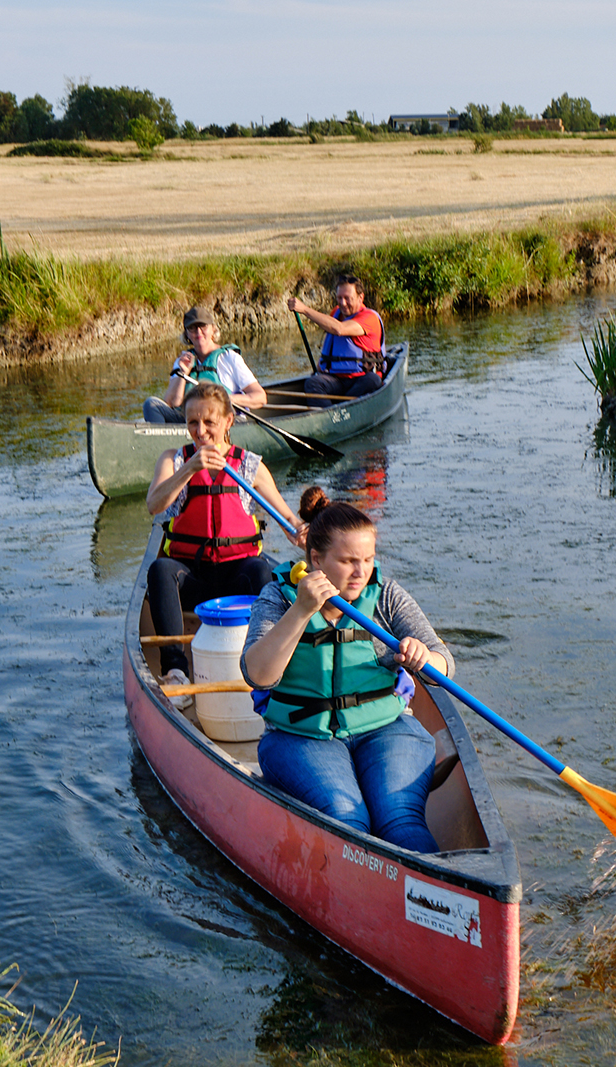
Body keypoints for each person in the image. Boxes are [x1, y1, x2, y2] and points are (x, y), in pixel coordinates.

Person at [241, 490, 452, 853]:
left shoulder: (386, 596)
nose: (360, 572)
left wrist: (425, 659)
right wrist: (302, 610)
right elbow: (257, 674)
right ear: (316, 559)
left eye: (368, 559)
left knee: (398, 817)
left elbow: (444, 663)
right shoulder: (278, 598)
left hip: (385, 728)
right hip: (301, 737)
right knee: (346, 818)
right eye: (348, 560)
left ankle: (439, 897)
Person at [144, 383, 304, 678]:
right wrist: (189, 469)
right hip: (191, 577)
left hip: (236, 578)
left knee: (261, 572)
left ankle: (265, 665)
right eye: (192, 422)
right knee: (159, 569)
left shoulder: (250, 466)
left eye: (209, 422)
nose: (200, 430)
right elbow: (154, 504)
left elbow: (287, 519)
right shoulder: (174, 459)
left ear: (228, 421)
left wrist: (301, 531)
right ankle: (175, 669)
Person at [144, 307, 267, 422]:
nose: (198, 332)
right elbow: (172, 403)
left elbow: (260, 397)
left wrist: (226, 399)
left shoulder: (230, 358)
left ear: (213, 329)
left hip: (222, 420)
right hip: (191, 421)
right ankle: (164, 441)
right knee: (151, 404)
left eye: (203, 326)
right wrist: (183, 374)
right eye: (192, 328)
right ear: (186, 334)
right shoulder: (183, 361)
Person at [286, 275, 384, 407]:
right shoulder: (336, 313)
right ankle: (326, 417)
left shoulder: (369, 318)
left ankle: (339, 410)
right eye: (339, 298)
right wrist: (320, 367)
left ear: (361, 298)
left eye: (347, 298)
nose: (343, 303)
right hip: (337, 380)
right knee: (313, 383)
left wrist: (304, 309)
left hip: (361, 379)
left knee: (373, 380)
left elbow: (340, 329)